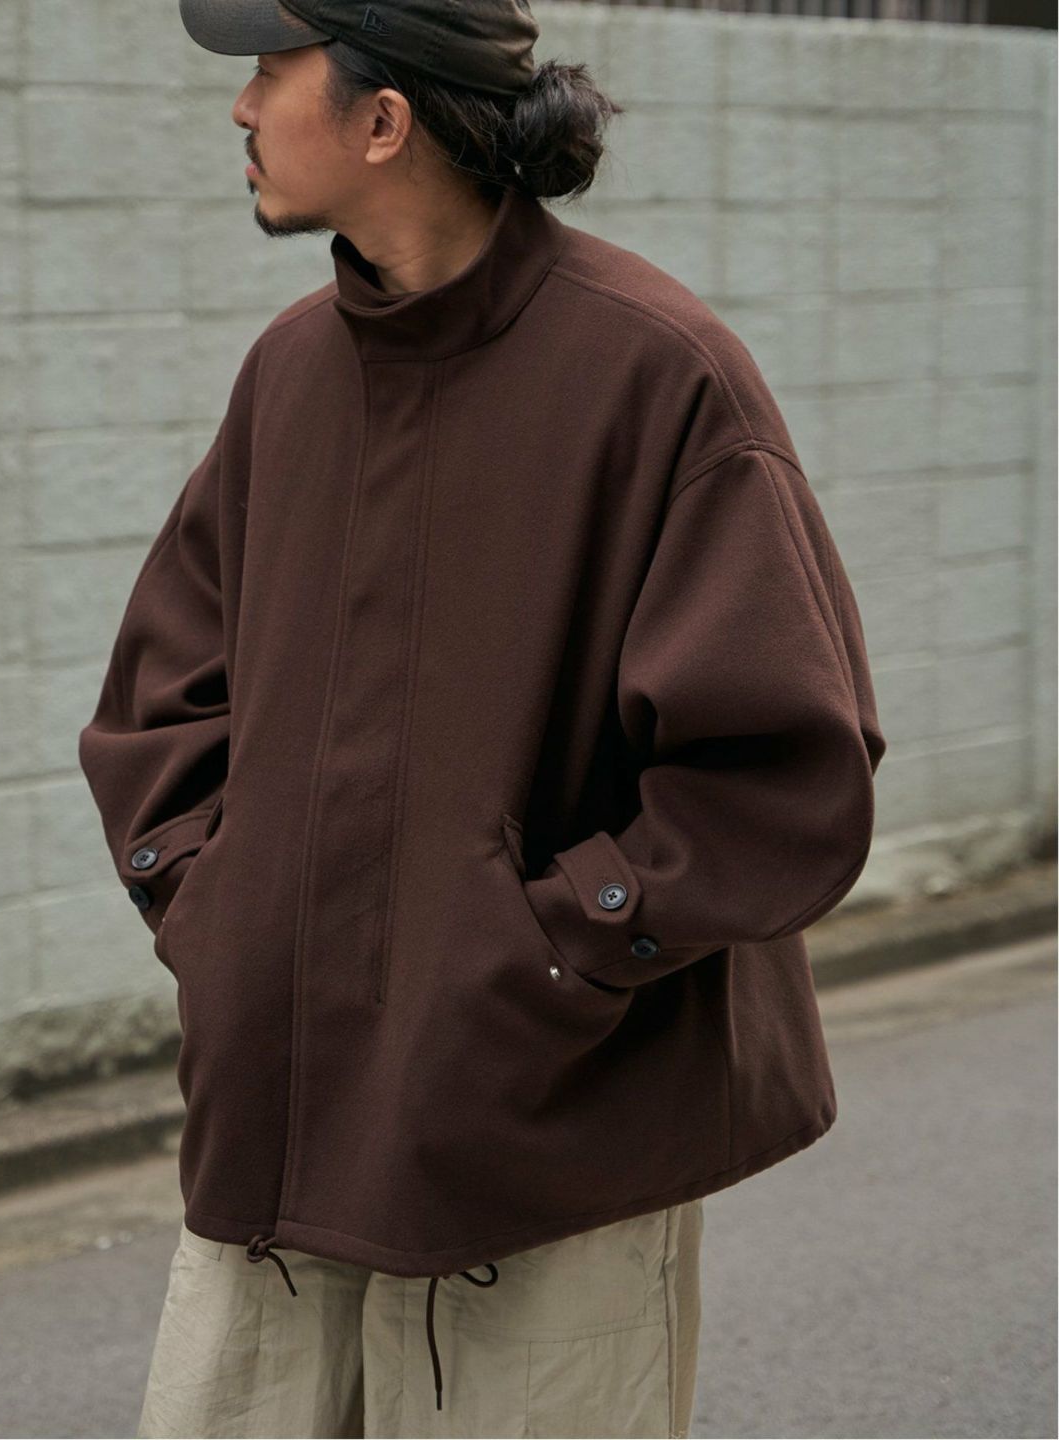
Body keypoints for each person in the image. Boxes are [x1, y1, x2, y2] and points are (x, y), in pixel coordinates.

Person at [77, 1, 887, 1435]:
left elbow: (781, 769)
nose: (241, 109)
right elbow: (161, 695)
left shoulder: (656, 371)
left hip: (542, 1157)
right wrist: (217, 916)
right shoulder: (292, 372)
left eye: (269, 71)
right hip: (276, 1148)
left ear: (385, 121)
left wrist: (544, 956)